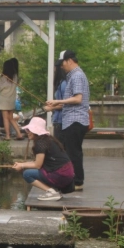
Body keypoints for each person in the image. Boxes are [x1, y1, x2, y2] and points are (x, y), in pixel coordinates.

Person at [44, 50, 90, 191]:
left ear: (69, 60)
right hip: (73, 119)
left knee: (73, 152)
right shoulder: (74, 76)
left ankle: (77, 182)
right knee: (72, 151)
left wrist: (57, 100)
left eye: (62, 63)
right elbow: (71, 101)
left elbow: (77, 99)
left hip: (75, 120)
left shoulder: (76, 76)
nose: (62, 67)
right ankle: (74, 180)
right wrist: (55, 106)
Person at [13, 117, 75, 201]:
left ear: (36, 131)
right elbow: (38, 162)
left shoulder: (40, 143)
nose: (27, 132)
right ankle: (53, 190)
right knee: (31, 169)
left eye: (29, 130)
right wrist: (22, 164)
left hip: (61, 174)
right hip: (67, 173)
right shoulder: (47, 139)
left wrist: (22, 165)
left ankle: (52, 192)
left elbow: (37, 165)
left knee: (27, 174)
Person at [0, 58, 25, 141]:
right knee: (11, 118)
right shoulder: (15, 76)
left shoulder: (3, 77)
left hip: (4, 100)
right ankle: (19, 134)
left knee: (5, 118)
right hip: (11, 100)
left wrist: (2, 80)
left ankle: (8, 136)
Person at [52, 61, 67, 139]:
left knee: (60, 146)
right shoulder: (61, 83)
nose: (54, 71)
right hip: (58, 120)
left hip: (62, 121)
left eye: (54, 69)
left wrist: (51, 107)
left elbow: (66, 103)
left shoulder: (64, 84)